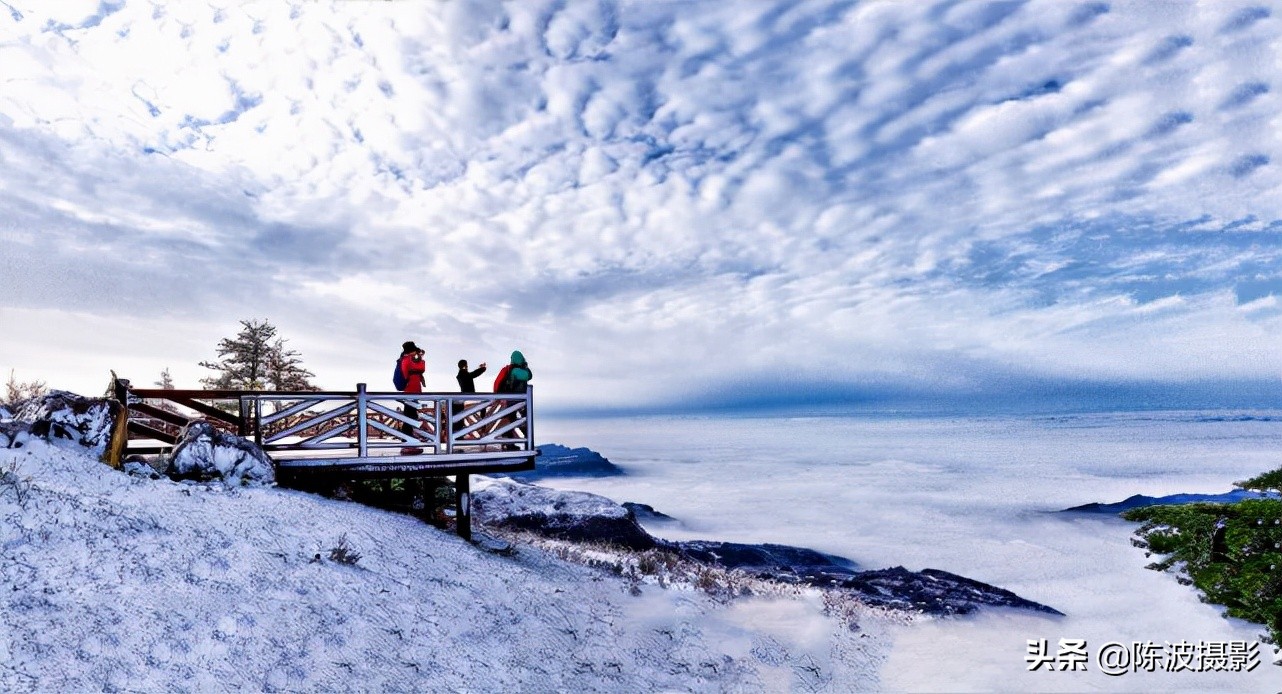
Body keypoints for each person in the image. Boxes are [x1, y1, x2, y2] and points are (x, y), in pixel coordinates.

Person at [491, 350, 532, 450]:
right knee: (516, 421)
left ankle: (509, 443)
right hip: (516, 400)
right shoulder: (516, 371)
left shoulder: (511, 370)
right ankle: (514, 444)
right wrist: (526, 366)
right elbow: (528, 376)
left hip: (511, 399)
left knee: (511, 421)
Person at [397, 341, 427, 455]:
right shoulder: (407, 360)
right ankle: (407, 443)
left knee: (410, 417)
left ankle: (408, 442)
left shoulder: (407, 359)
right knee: (409, 418)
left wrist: (418, 357)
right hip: (411, 391)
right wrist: (420, 358)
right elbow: (421, 368)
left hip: (412, 392)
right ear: (411, 350)